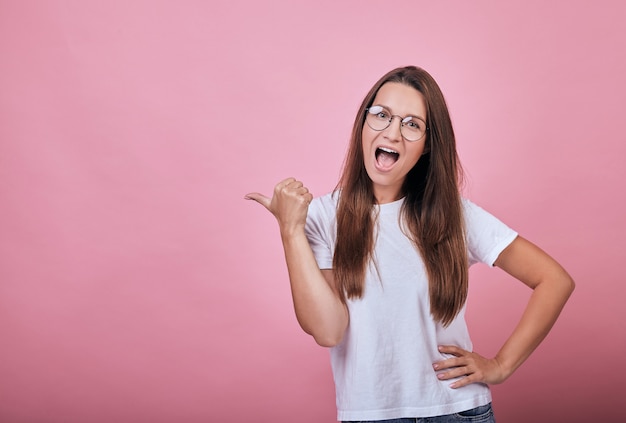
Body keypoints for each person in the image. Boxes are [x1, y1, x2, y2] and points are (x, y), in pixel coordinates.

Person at [245, 66, 574, 423]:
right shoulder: (324, 217)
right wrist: (291, 231)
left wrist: (500, 365)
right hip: (369, 414)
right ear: (363, 124)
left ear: (428, 144)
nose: (393, 132)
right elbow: (327, 330)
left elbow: (554, 280)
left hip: (457, 411)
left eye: (411, 124)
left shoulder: (455, 216)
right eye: (382, 115)